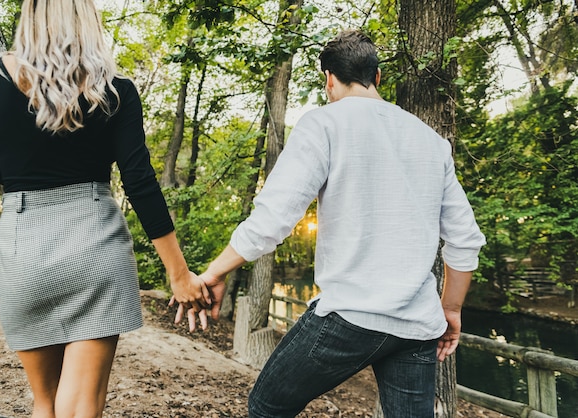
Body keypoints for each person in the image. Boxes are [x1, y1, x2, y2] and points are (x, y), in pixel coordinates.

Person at [180, 30, 486, 417]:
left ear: (329, 79)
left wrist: (214, 272)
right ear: (377, 78)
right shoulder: (431, 141)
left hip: (349, 318)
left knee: (266, 405)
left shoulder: (324, 124)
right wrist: (451, 309)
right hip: (417, 325)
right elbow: (464, 240)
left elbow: (274, 218)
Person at [0, 1, 210, 417]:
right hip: (96, 247)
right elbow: (139, 182)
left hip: (25, 247)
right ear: (88, 21)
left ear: (30, 16)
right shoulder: (117, 91)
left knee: (45, 403)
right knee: (78, 407)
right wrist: (179, 274)